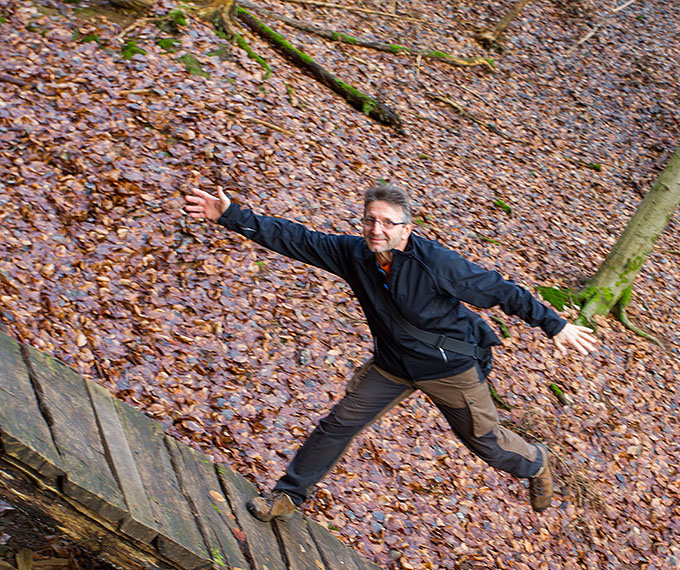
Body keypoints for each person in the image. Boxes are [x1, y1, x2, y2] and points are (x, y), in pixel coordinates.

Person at [183, 183, 597, 521]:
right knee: (338, 423)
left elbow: (499, 290)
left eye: (387, 223)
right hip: (393, 364)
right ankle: (289, 496)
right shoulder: (354, 254)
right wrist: (231, 216)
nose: (376, 229)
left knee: (485, 442)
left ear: (406, 229)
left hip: (448, 368)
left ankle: (536, 462)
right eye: (371, 220)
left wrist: (554, 324)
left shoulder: (438, 263)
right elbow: (298, 239)